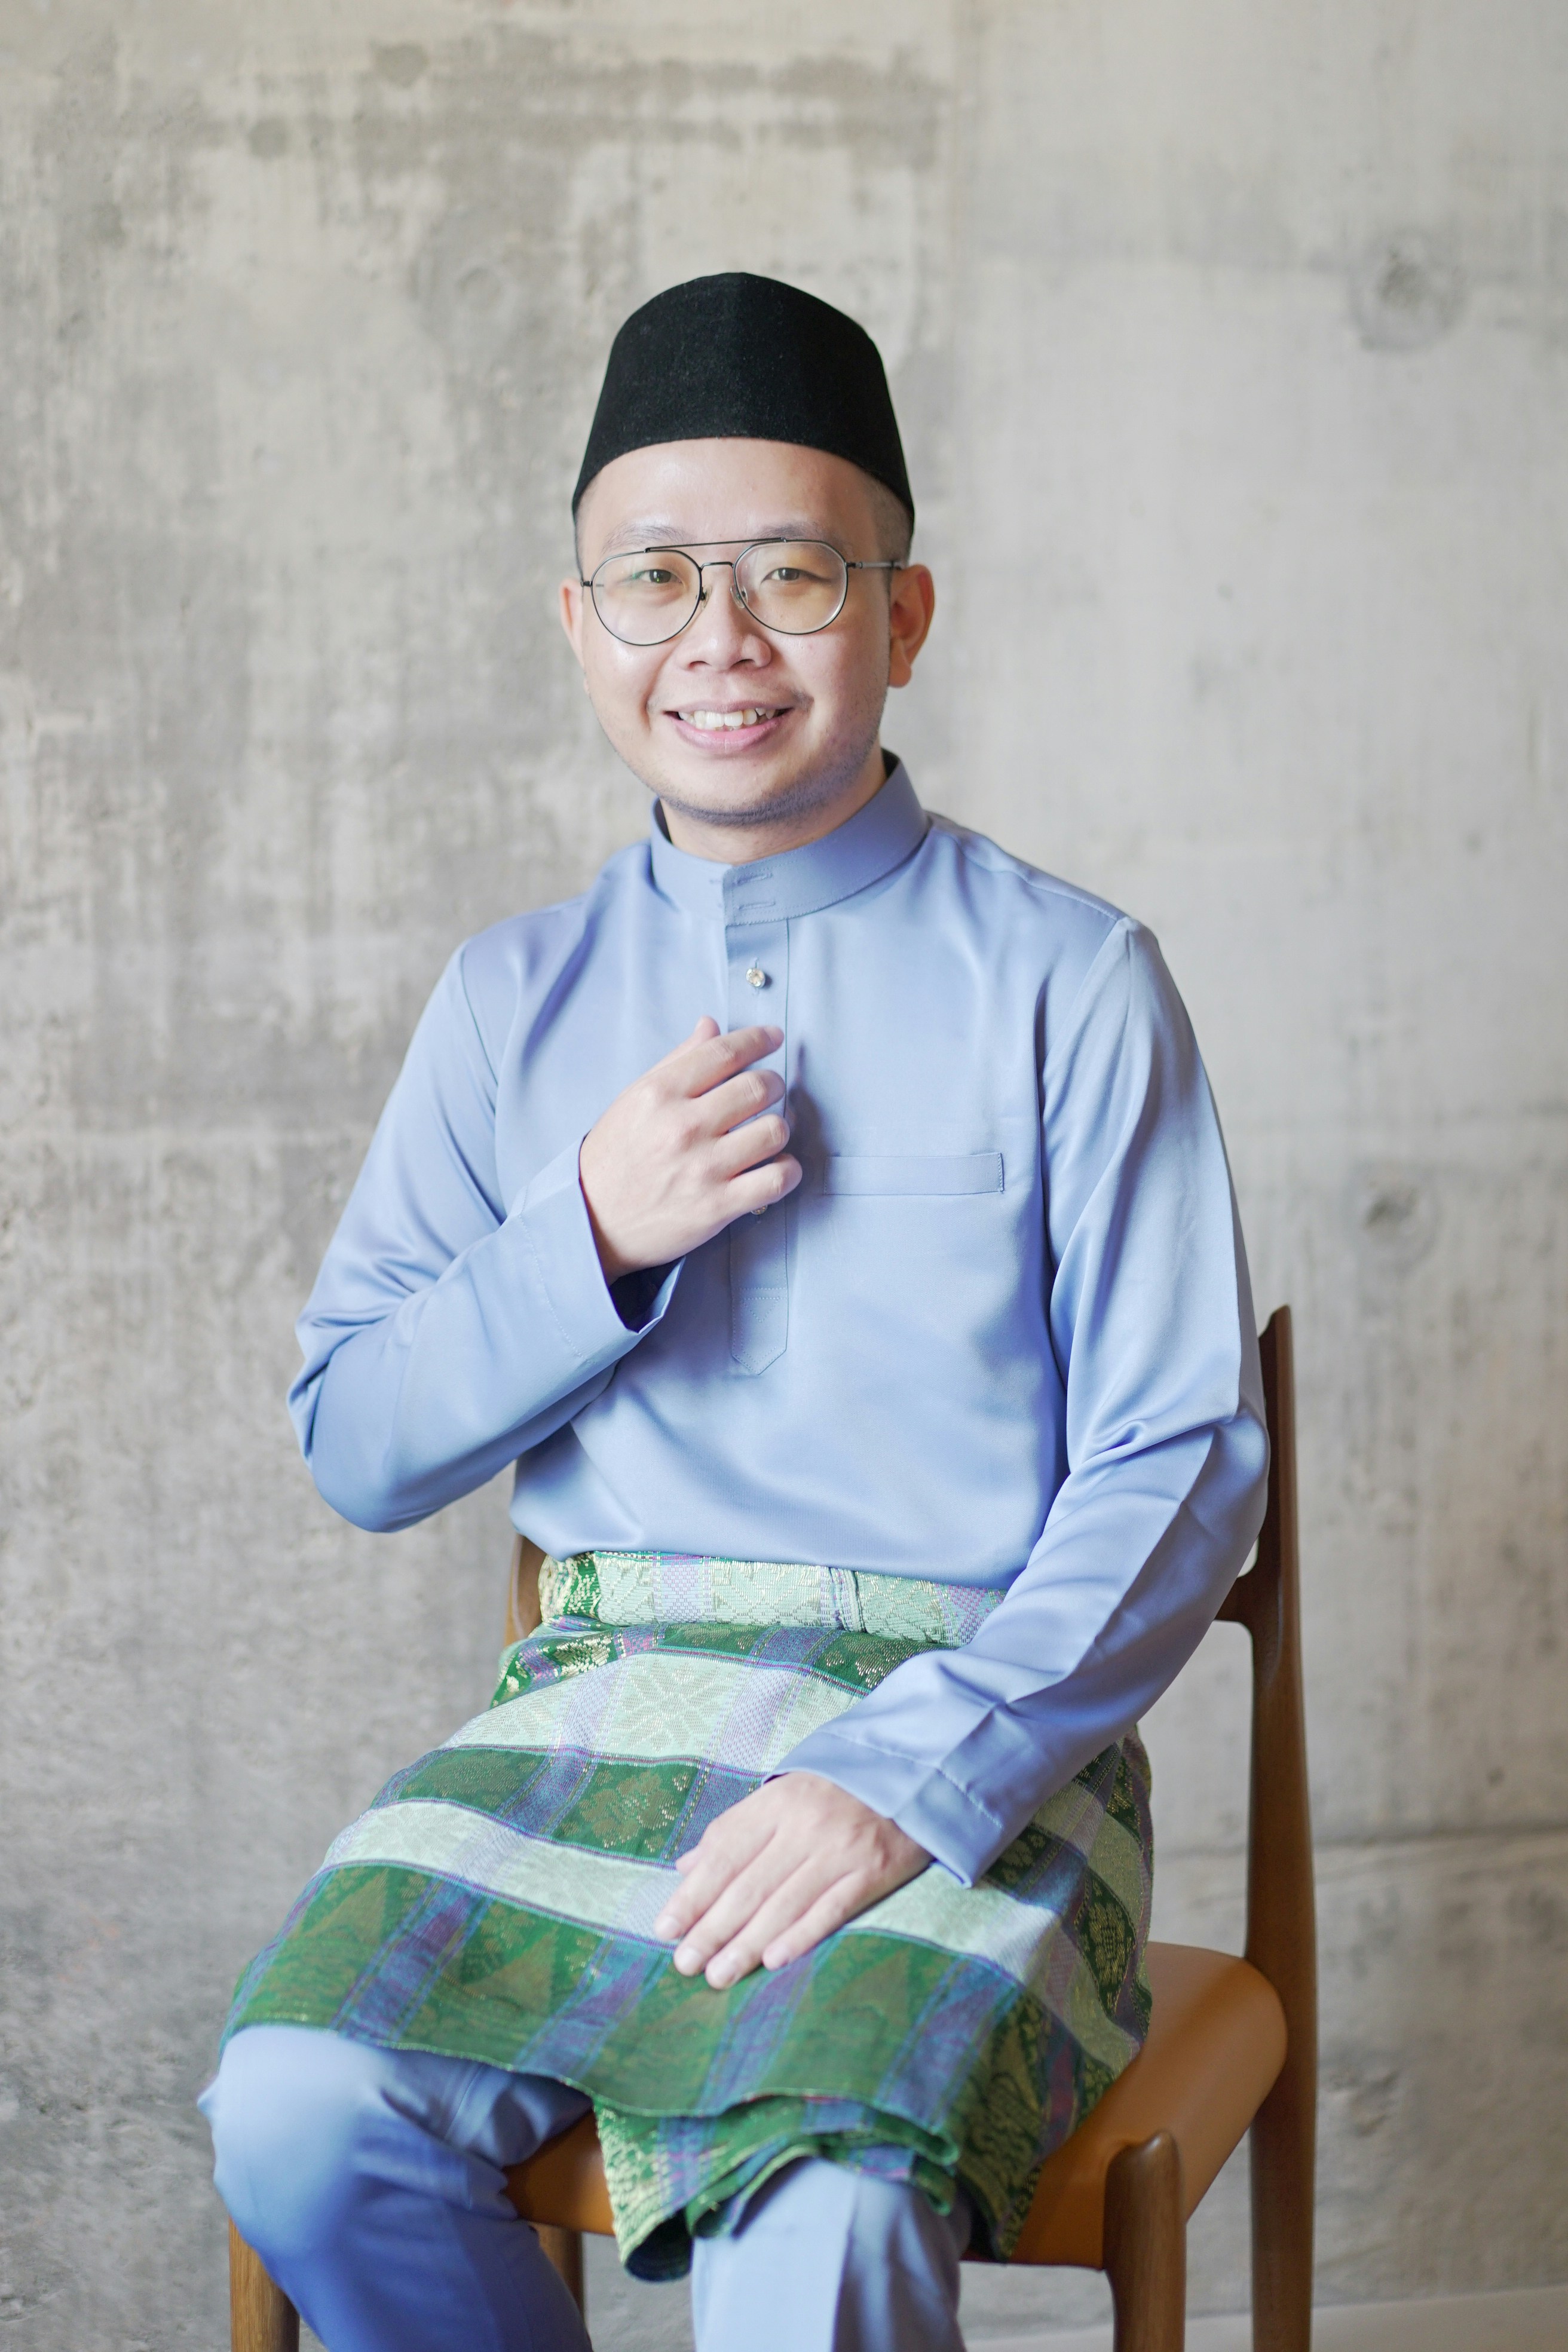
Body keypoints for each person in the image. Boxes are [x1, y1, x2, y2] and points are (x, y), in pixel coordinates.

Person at [201, 272, 1268, 2352]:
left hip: (979, 1738)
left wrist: (920, 1770)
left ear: (906, 611)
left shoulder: (1073, 979)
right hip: (591, 1719)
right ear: (576, 624)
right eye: (657, 579)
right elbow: (353, 1435)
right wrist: (583, 1234)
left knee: (824, 2222)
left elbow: (1185, 1461)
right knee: (298, 2111)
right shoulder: (509, 999)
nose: (722, 638)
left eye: (792, 573)